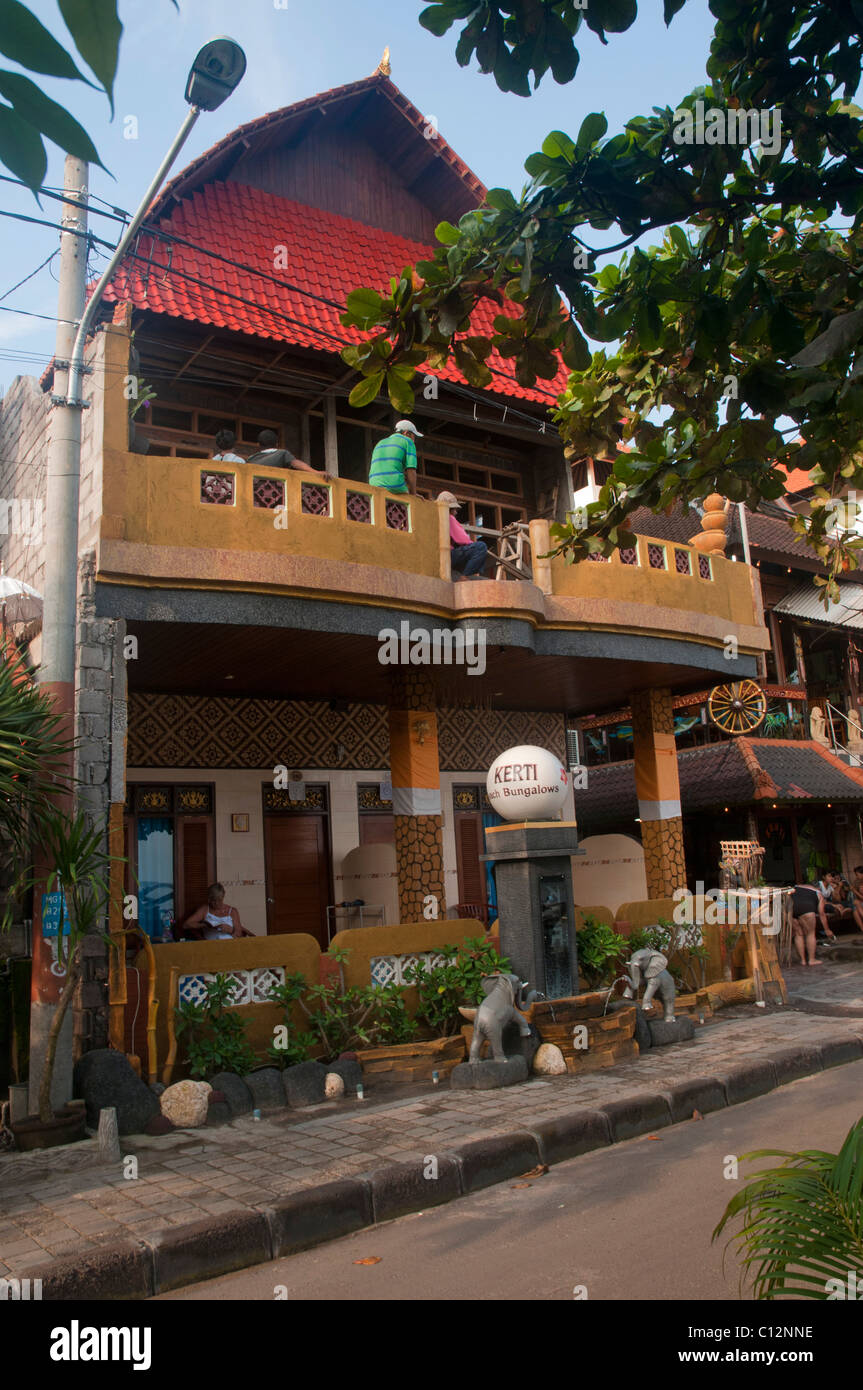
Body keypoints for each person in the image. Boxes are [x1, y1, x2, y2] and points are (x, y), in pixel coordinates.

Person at [437, 490, 488, 580]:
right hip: (449, 555)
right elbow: (462, 540)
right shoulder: (449, 517)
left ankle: (465, 574)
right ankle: (465, 576)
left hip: (441, 556)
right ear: (449, 509)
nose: (456, 512)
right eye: (455, 509)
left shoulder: (436, 517)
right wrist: (472, 545)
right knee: (481, 547)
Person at [368, 420, 421, 494]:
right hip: (394, 485)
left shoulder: (380, 442)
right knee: (411, 499)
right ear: (407, 433)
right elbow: (411, 470)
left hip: (374, 485)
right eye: (413, 436)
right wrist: (414, 494)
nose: (414, 439)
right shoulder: (408, 442)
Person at [183, 883, 253, 940]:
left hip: (230, 946)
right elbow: (186, 925)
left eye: (219, 900)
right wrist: (203, 925)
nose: (216, 903)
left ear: (223, 897)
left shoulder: (232, 911)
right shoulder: (205, 910)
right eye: (214, 900)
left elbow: (239, 935)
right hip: (211, 947)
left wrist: (230, 930)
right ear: (209, 899)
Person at [790, 882, 835, 965]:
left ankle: (802, 960)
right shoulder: (818, 893)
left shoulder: (795, 888)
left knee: (798, 934)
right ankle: (811, 960)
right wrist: (827, 930)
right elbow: (821, 913)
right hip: (807, 910)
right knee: (810, 934)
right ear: (816, 888)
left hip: (791, 909)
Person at [245, 428, 322, 474]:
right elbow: (295, 463)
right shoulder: (282, 453)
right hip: (275, 493)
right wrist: (316, 472)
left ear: (258, 445)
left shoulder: (251, 459)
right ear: (277, 444)